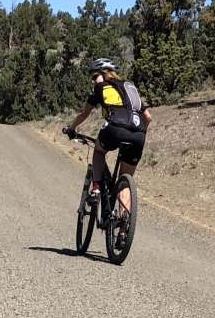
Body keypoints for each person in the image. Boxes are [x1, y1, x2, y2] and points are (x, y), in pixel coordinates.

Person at [63, 59, 151, 216]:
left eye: (93, 76)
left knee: (98, 151)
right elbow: (148, 117)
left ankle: (96, 189)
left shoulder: (100, 87)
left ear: (100, 75)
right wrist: (138, 133)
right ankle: (124, 227)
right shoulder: (129, 87)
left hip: (115, 128)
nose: (93, 80)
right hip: (138, 134)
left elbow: (84, 113)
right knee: (125, 179)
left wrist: (71, 128)